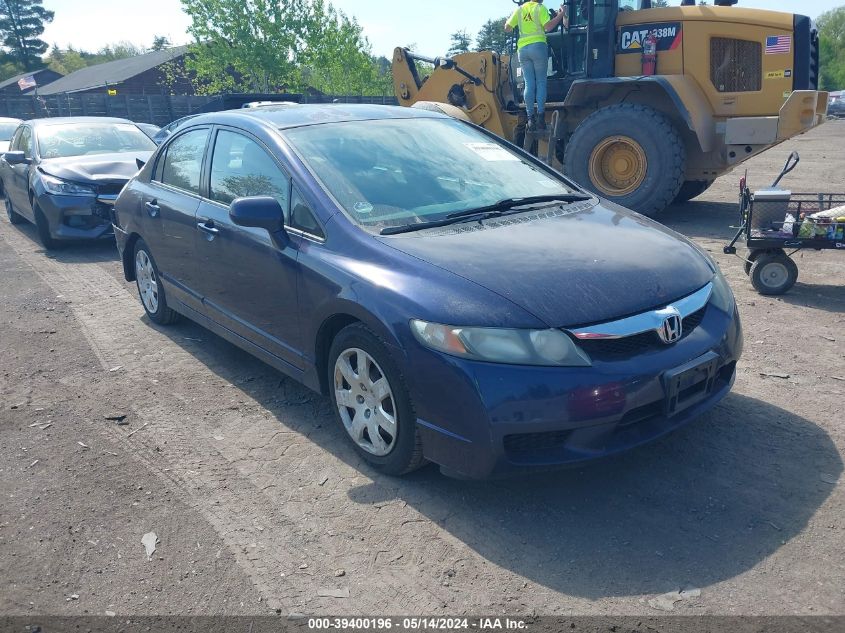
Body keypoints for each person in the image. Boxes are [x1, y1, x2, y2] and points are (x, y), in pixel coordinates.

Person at [505, 1, 567, 131]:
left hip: (522, 50)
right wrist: (561, 15)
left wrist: (510, 21)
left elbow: (507, 28)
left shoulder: (520, 10)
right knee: (541, 82)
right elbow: (548, 27)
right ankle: (540, 118)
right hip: (538, 47)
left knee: (529, 84)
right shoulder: (540, 8)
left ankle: (530, 119)